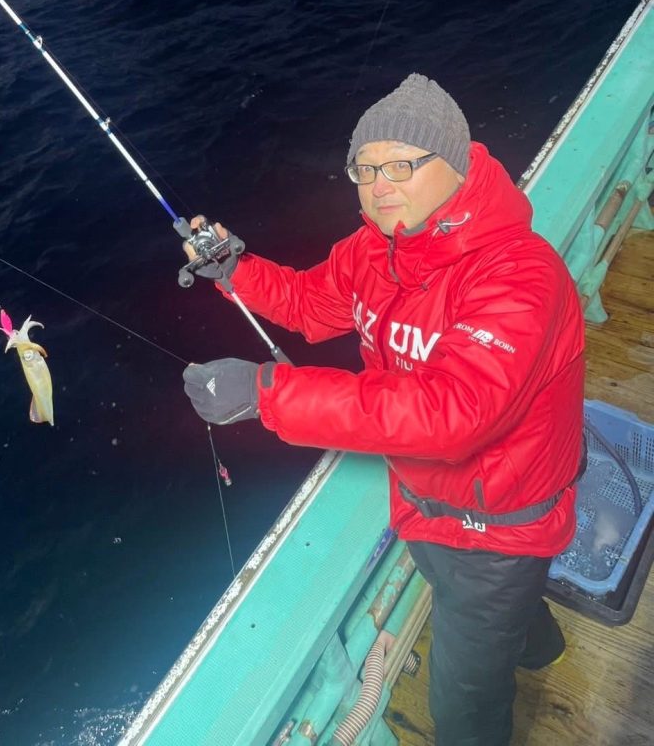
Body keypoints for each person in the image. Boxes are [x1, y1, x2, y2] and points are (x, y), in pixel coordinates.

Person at [182, 73, 585, 746]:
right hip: (422, 501)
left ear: (456, 166)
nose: (379, 184)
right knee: (493, 615)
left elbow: (452, 415)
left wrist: (266, 393)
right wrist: (236, 270)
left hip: (499, 528)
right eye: (364, 169)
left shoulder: (521, 273)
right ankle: (540, 647)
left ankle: (513, 660)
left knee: (464, 706)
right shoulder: (375, 248)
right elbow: (311, 305)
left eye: (401, 165)